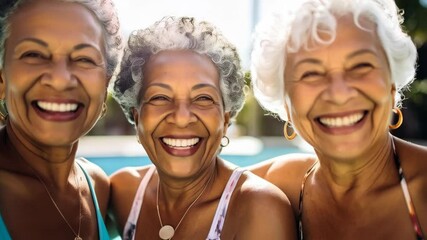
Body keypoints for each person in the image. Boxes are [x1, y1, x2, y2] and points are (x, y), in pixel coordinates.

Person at [249, 0, 427, 239]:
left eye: (361, 66)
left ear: (392, 86)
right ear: (285, 102)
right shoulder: (270, 187)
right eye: (311, 73)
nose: (339, 93)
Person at [110, 16, 297, 240]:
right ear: (136, 116)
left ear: (226, 119)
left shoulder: (258, 209)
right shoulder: (123, 192)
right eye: (160, 97)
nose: (181, 118)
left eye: (203, 98)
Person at [0, 0, 122, 239]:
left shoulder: (98, 187)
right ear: (2, 79)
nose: (61, 79)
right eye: (34, 54)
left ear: (105, 84)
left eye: (84, 58)